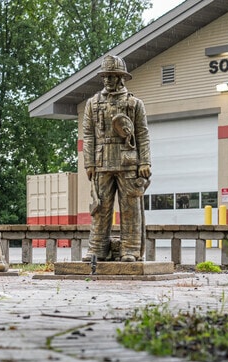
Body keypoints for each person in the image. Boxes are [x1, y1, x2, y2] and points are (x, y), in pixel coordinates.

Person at [82, 55, 151, 263]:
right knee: (100, 208)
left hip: (128, 162)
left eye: (112, 76)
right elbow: (88, 135)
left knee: (130, 207)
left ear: (121, 78)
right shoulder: (92, 104)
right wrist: (89, 163)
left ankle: (130, 249)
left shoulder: (134, 104)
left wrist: (145, 162)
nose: (108, 80)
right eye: (105, 76)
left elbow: (142, 134)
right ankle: (97, 249)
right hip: (101, 162)